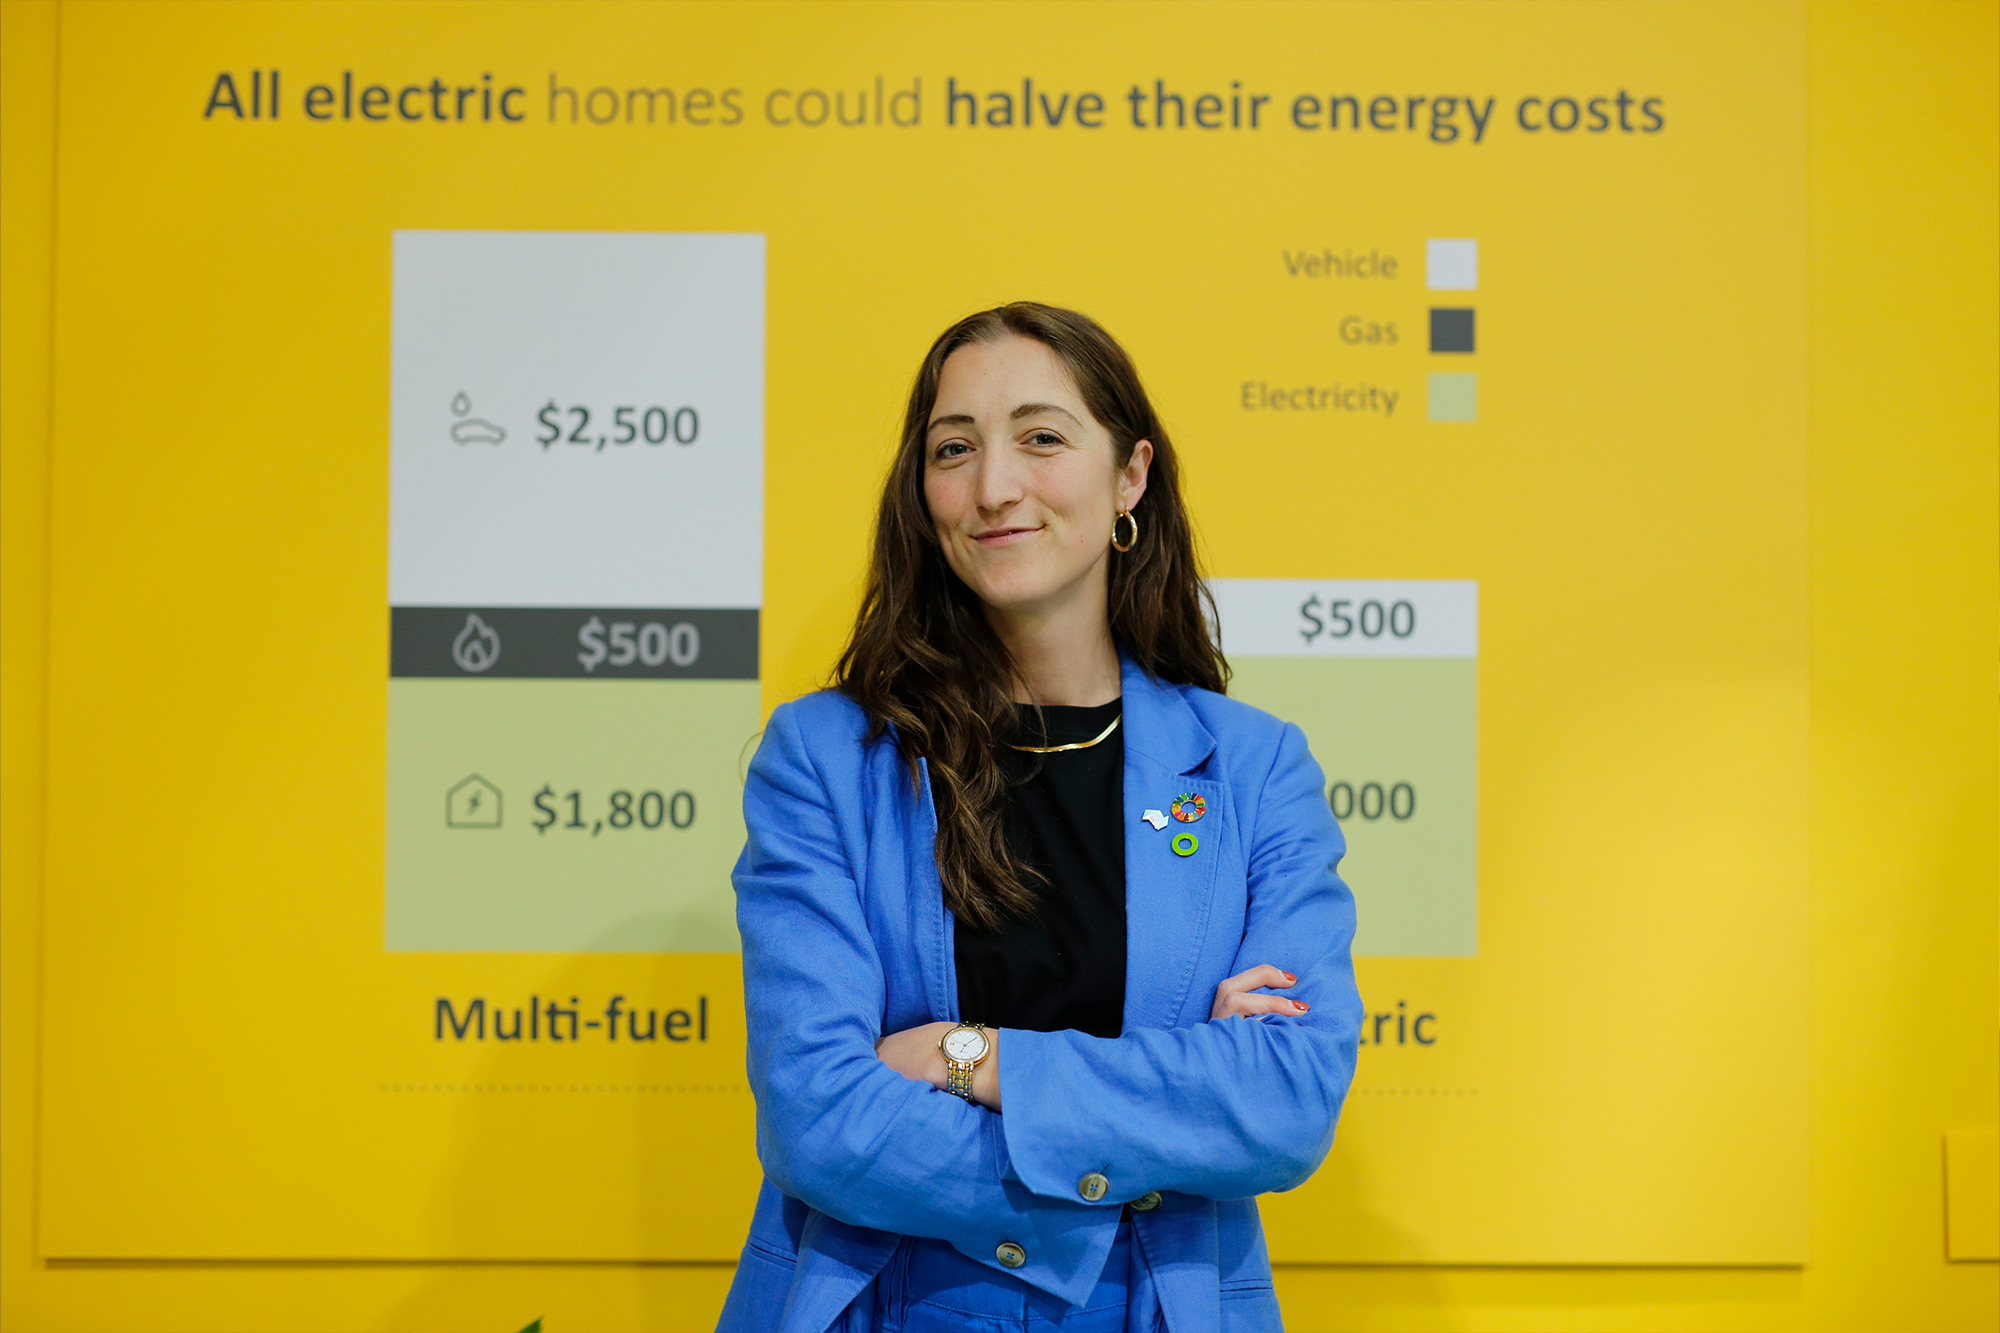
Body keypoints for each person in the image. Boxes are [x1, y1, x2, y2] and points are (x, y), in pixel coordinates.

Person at [718, 302, 1362, 1333]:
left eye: (1040, 437)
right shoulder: (824, 761)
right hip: (888, 1306)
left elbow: (1281, 1103)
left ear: (1129, 476)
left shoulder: (1249, 769)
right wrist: (1139, 1162)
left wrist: (961, 1057)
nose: (992, 487)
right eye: (953, 448)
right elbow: (821, 1117)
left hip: (1164, 1308)